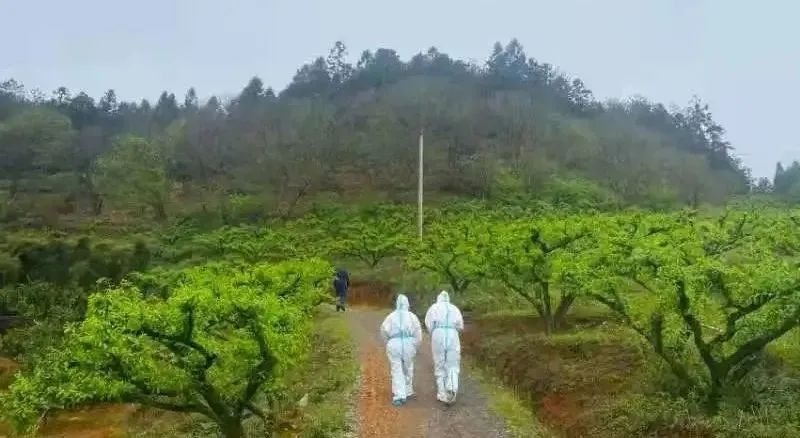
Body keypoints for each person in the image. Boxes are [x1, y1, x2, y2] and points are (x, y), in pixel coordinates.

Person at [380, 294, 422, 407]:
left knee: (396, 368)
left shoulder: (390, 317)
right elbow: (418, 333)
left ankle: (399, 395)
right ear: (407, 304)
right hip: (409, 343)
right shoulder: (412, 317)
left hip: (394, 343)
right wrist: (415, 345)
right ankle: (407, 390)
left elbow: (383, 331)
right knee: (408, 367)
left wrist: (388, 342)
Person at [425, 290, 464, 404]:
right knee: (453, 363)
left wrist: (434, 332)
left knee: (439, 362)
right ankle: (451, 388)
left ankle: (442, 393)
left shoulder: (433, 308)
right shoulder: (455, 308)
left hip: (438, 333)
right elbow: (460, 326)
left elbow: (429, 324)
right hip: (452, 334)